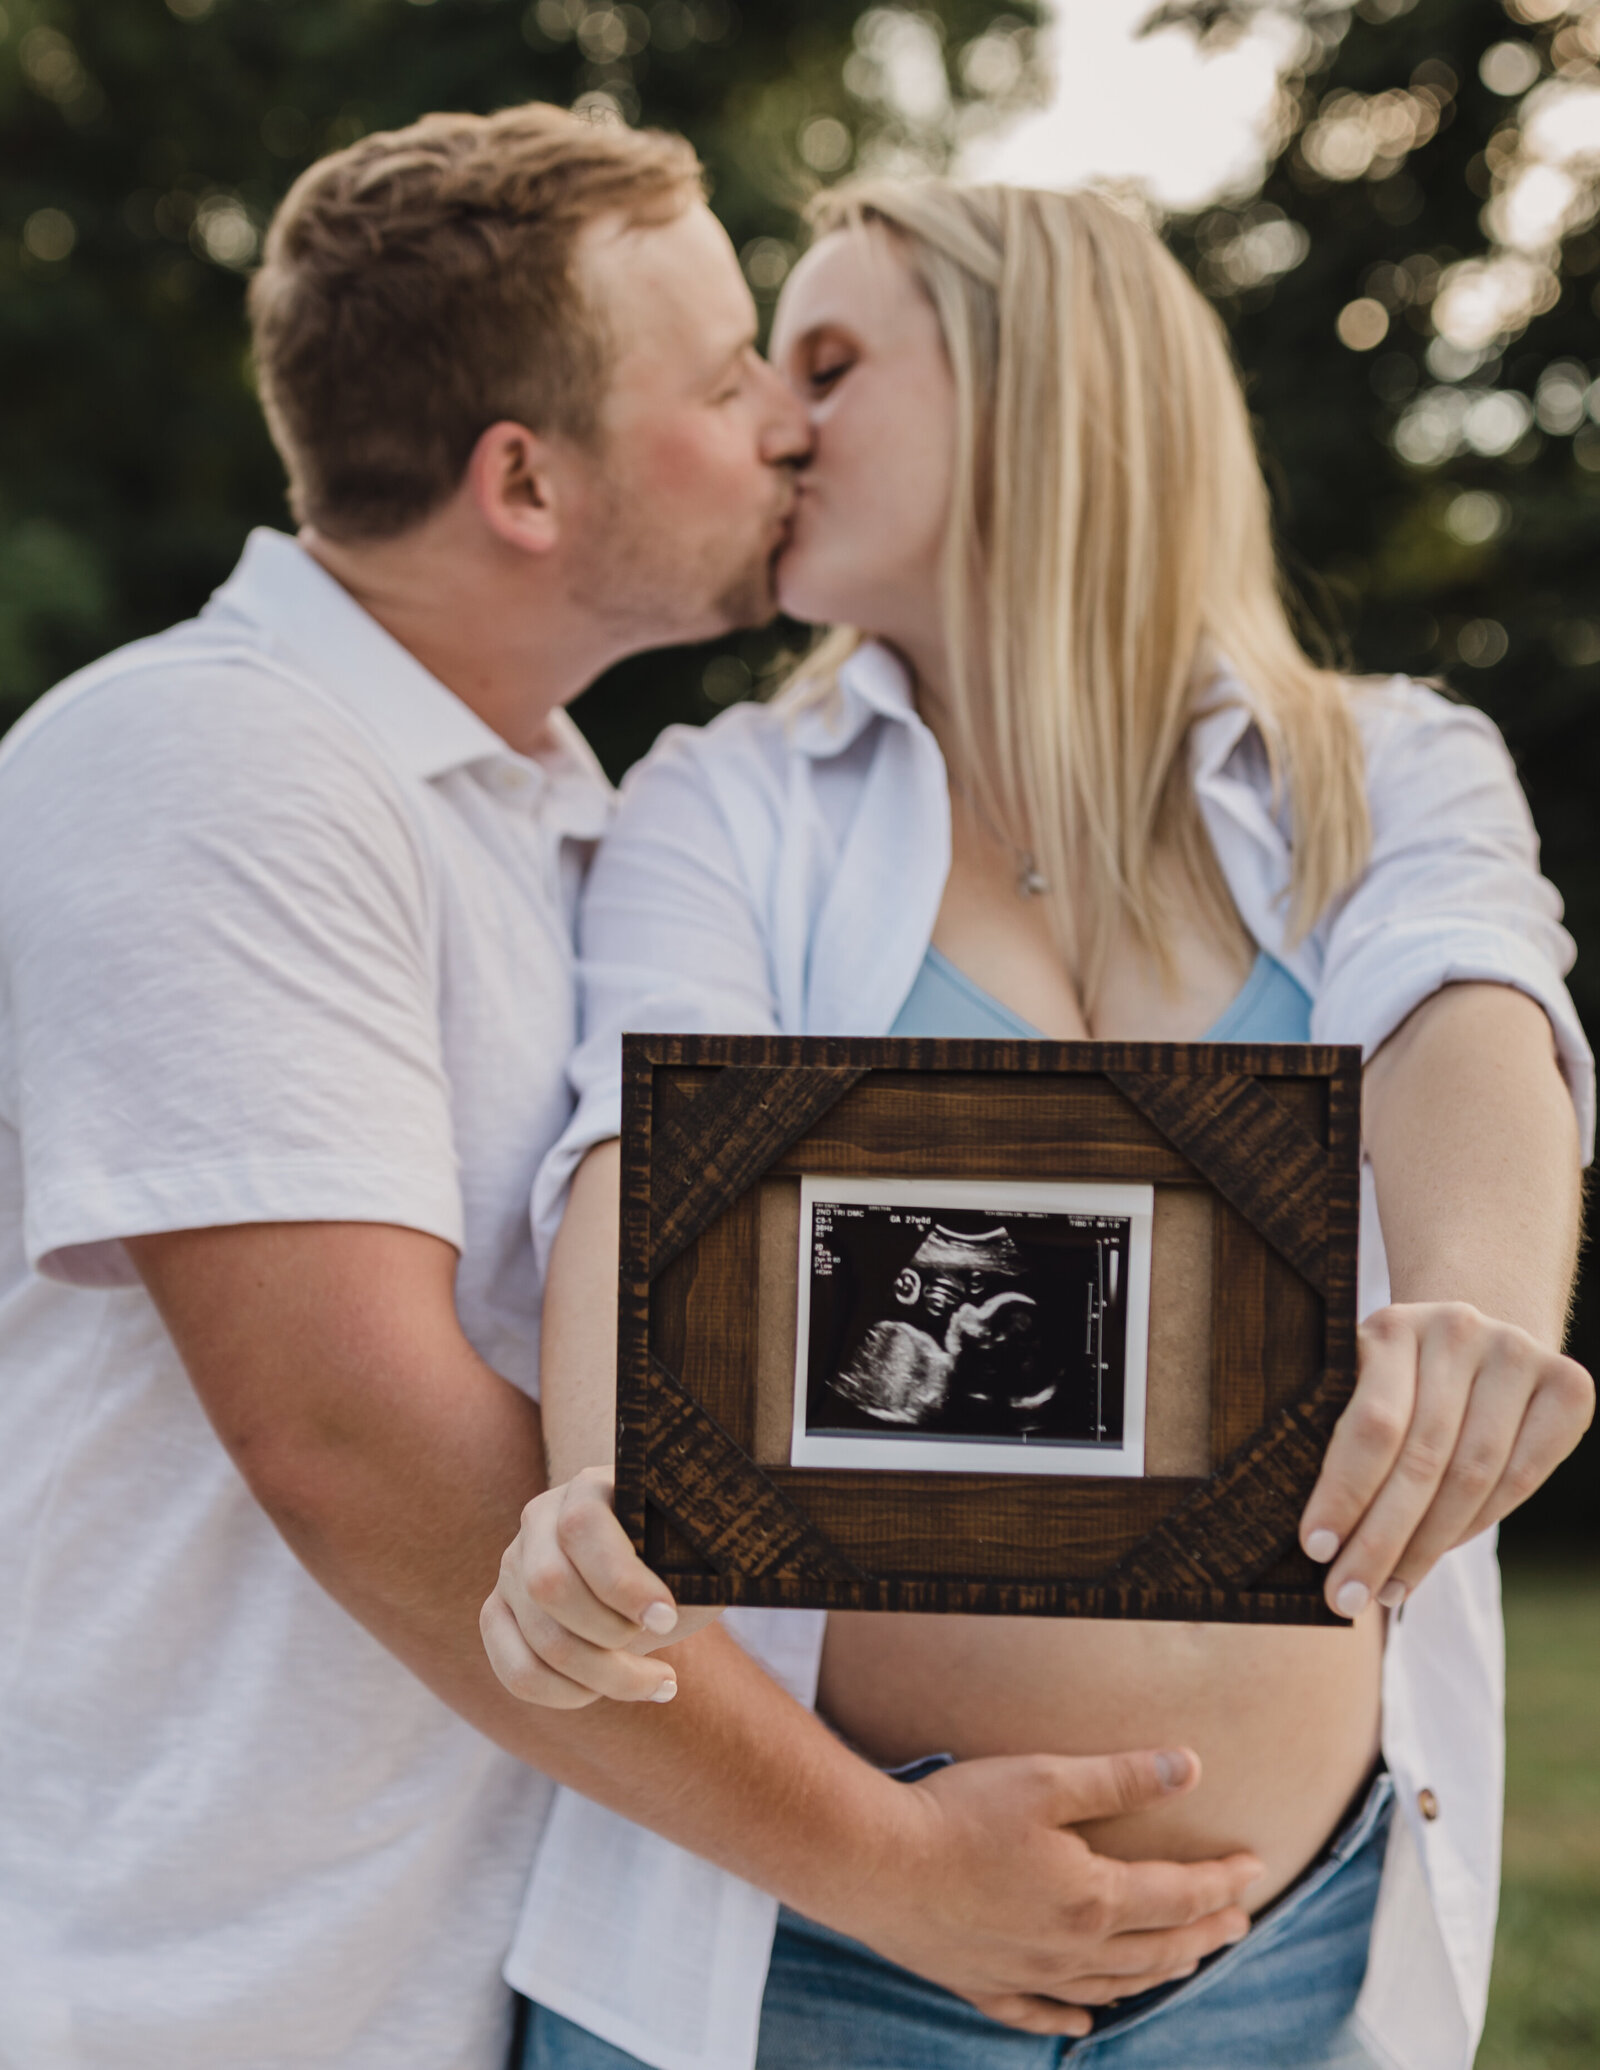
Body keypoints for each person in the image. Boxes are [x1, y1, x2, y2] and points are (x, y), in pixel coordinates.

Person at [0, 114, 1268, 2070]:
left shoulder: (572, 828)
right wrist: (890, 1861)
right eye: (721, 374)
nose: (782, 422)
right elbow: (356, 1443)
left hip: (487, 1968)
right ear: (521, 480)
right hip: (188, 1987)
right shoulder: (211, 765)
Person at [485, 180, 1595, 2070]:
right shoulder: (725, 798)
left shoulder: (1391, 759)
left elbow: (1465, 1005)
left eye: (828, 364)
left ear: (1041, 380)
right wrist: (604, 1498)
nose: (773, 423)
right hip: (807, 1949)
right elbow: (635, 1155)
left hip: (1289, 1954)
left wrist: (1485, 1304)